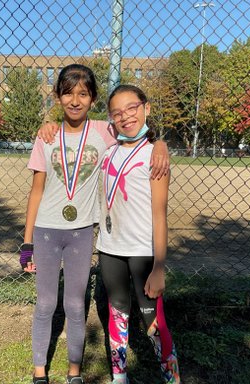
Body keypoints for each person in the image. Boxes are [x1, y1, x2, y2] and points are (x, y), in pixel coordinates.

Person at [21, 64, 169, 384]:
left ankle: (75, 372)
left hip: (83, 230)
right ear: (57, 96)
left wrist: (161, 144)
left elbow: (138, 131)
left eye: (83, 94)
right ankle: (39, 372)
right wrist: (26, 242)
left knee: (76, 303)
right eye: (68, 93)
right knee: (46, 302)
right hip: (46, 231)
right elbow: (35, 191)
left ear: (92, 99)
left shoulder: (104, 130)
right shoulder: (47, 137)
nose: (75, 100)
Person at [96, 84, 180, 383]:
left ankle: (171, 377)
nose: (125, 116)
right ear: (110, 118)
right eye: (117, 112)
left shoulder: (155, 157)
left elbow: (160, 214)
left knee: (152, 320)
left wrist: (159, 267)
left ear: (146, 107)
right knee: (117, 312)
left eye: (132, 108)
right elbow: (78, 125)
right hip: (109, 248)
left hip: (143, 252)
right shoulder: (108, 151)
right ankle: (120, 377)